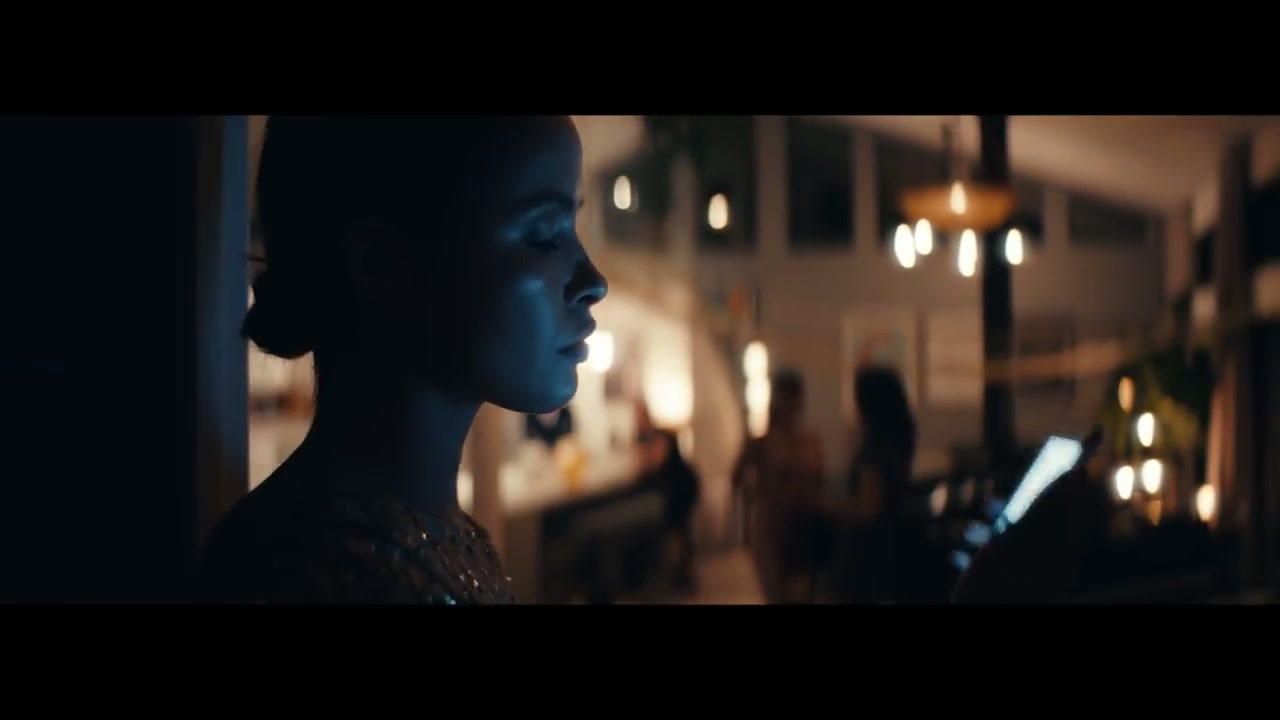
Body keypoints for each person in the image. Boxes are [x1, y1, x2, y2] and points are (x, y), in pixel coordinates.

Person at [198, 116, 608, 604]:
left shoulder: (432, 534)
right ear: (384, 264)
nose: (594, 282)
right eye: (544, 235)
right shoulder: (318, 572)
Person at [732, 370, 825, 604]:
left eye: (793, 399)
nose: (789, 407)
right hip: (771, 527)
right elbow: (737, 478)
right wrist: (753, 504)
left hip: (803, 527)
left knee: (803, 593)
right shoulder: (762, 443)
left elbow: (818, 483)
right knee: (777, 593)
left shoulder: (810, 442)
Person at [838, 366, 916, 602]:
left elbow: (868, 507)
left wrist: (825, 505)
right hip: (888, 549)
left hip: (865, 555)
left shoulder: (874, 449)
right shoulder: (897, 444)